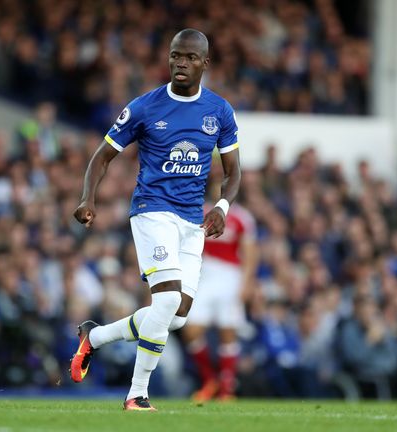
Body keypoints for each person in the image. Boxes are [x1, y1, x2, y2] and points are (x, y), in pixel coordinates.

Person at [69, 29, 241, 411]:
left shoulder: (219, 111)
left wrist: (222, 207)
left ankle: (93, 338)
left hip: (191, 221)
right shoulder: (145, 107)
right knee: (166, 300)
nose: (181, 63)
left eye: (190, 57)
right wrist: (87, 197)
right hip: (152, 211)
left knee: (177, 316)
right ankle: (137, 394)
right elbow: (102, 155)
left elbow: (233, 172)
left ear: (204, 63)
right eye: (176, 55)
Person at [183, 202, 257, 401]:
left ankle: (226, 388)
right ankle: (210, 379)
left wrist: (247, 282)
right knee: (191, 329)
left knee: (228, 331)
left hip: (231, 275)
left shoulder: (242, 216)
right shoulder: (201, 210)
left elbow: (249, 252)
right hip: (205, 274)